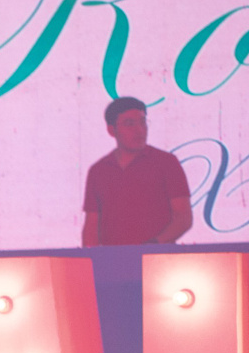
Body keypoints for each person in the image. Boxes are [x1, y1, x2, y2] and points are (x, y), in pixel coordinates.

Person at [79, 95, 193, 246]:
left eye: (142, 122)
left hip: (157, 256)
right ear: (111, 130)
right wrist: (90, 258)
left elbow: (183, 217)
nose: (139, 130)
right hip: (112, 258)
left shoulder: (166, 163)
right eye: (129, 124)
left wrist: (154, 244)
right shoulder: (98, 171)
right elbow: (91, 227)